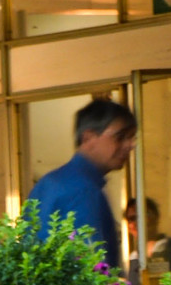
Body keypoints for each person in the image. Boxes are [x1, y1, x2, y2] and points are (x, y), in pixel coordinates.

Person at [28, 98, 135, 268]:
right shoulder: (83, 190)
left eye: (131, 138)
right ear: (88, 138)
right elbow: (91, 271)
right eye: (120, 137)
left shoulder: (48, 182)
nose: (130, 145)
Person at [128, 197, 171, 276]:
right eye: (131, 219)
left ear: (155, 217)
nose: (135, 223)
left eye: (141, 216)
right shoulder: (134, 256)